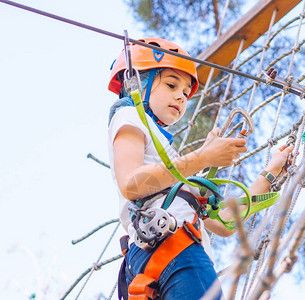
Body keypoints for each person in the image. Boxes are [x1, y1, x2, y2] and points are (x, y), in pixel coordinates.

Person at [107, 37, 294, 300]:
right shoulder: (129, 116)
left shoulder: (168, 163)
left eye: (185, 93)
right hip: (174, 249)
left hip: (163, 255)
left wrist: (270, 173)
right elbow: (131, 183)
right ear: (137, 83)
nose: (180, 97)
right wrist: (202, 157)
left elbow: (225, 222)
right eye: (171, 84)